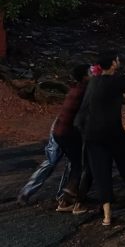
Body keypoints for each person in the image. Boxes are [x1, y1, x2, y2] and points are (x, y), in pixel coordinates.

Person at [75, 51, 125, 226]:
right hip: (112, 132)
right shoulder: (115, 81)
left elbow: (113, 98)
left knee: (101, 173)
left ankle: (107, 216)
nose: (118, 62)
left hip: (91, 134)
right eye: (117, 60)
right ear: (112, 64)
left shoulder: (94, 82)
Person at [18, 64, 91, 213]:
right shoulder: (85, 89)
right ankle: (64, 196)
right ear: (85, 76)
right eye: (90, 72)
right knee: (73, 163)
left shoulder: (75, 87)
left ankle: (29, 192)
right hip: (67, 130)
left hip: (58, 127)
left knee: (53, 162)